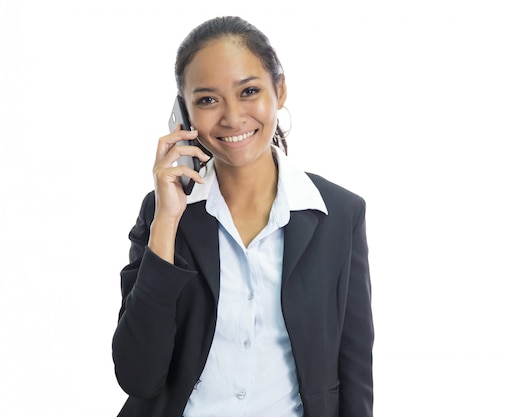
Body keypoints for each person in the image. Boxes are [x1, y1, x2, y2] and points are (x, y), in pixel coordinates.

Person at [112, 16, 374, 417]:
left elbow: (354, 367)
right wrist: (166, 221)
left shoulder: (339, 213)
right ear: (183, 113)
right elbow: (138, 376)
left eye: (248, 91)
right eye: (207, 100)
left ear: (279, 90)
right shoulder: (164, 211)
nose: (232, 118)